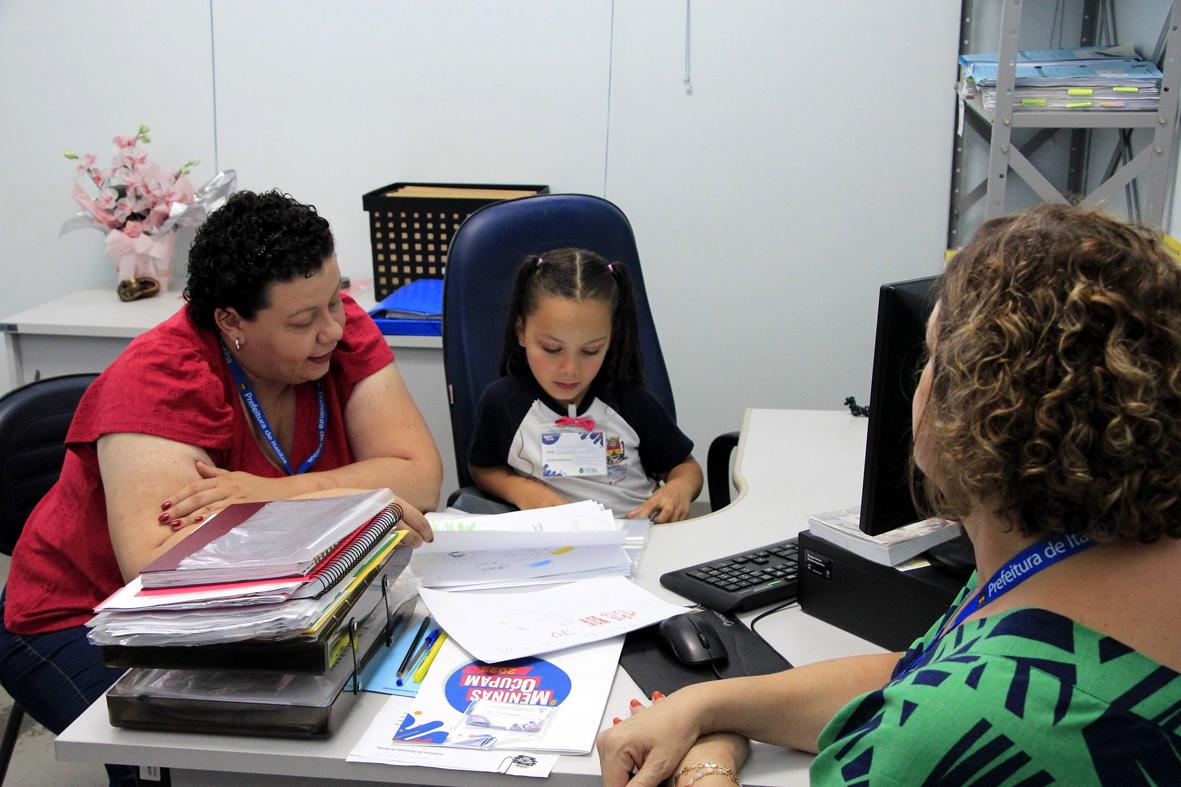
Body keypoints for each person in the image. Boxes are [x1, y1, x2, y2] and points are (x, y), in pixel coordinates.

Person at [597, 204, 1181, 785]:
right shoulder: (1061, 556)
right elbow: (910, 676)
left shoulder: (960, 730)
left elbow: (930, 715)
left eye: (929, 357)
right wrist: (705, 706)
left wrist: (709, 765)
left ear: (974, 409)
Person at [0, 190, 442, 781]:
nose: (333, 329)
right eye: (302, 320)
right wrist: (360, 504)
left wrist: (271, 494)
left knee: (338, 731)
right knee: (179, 762)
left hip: (263, 609)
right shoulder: (160, 376)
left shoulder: (338, 331)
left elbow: (418, 475)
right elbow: (167, 570)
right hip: (83, 614)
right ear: (231, 321)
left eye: (335, 300)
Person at [467, 247, 703, 523]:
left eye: (590, 351)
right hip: (555, 544)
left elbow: (685, 467)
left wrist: (678, 489)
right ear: (521, 331)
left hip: (639, 534)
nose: (570, 369)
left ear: (610, 340)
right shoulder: (503, 403)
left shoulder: (630, 401)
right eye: (552, 348)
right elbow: (482, 467)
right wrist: (524, 491)